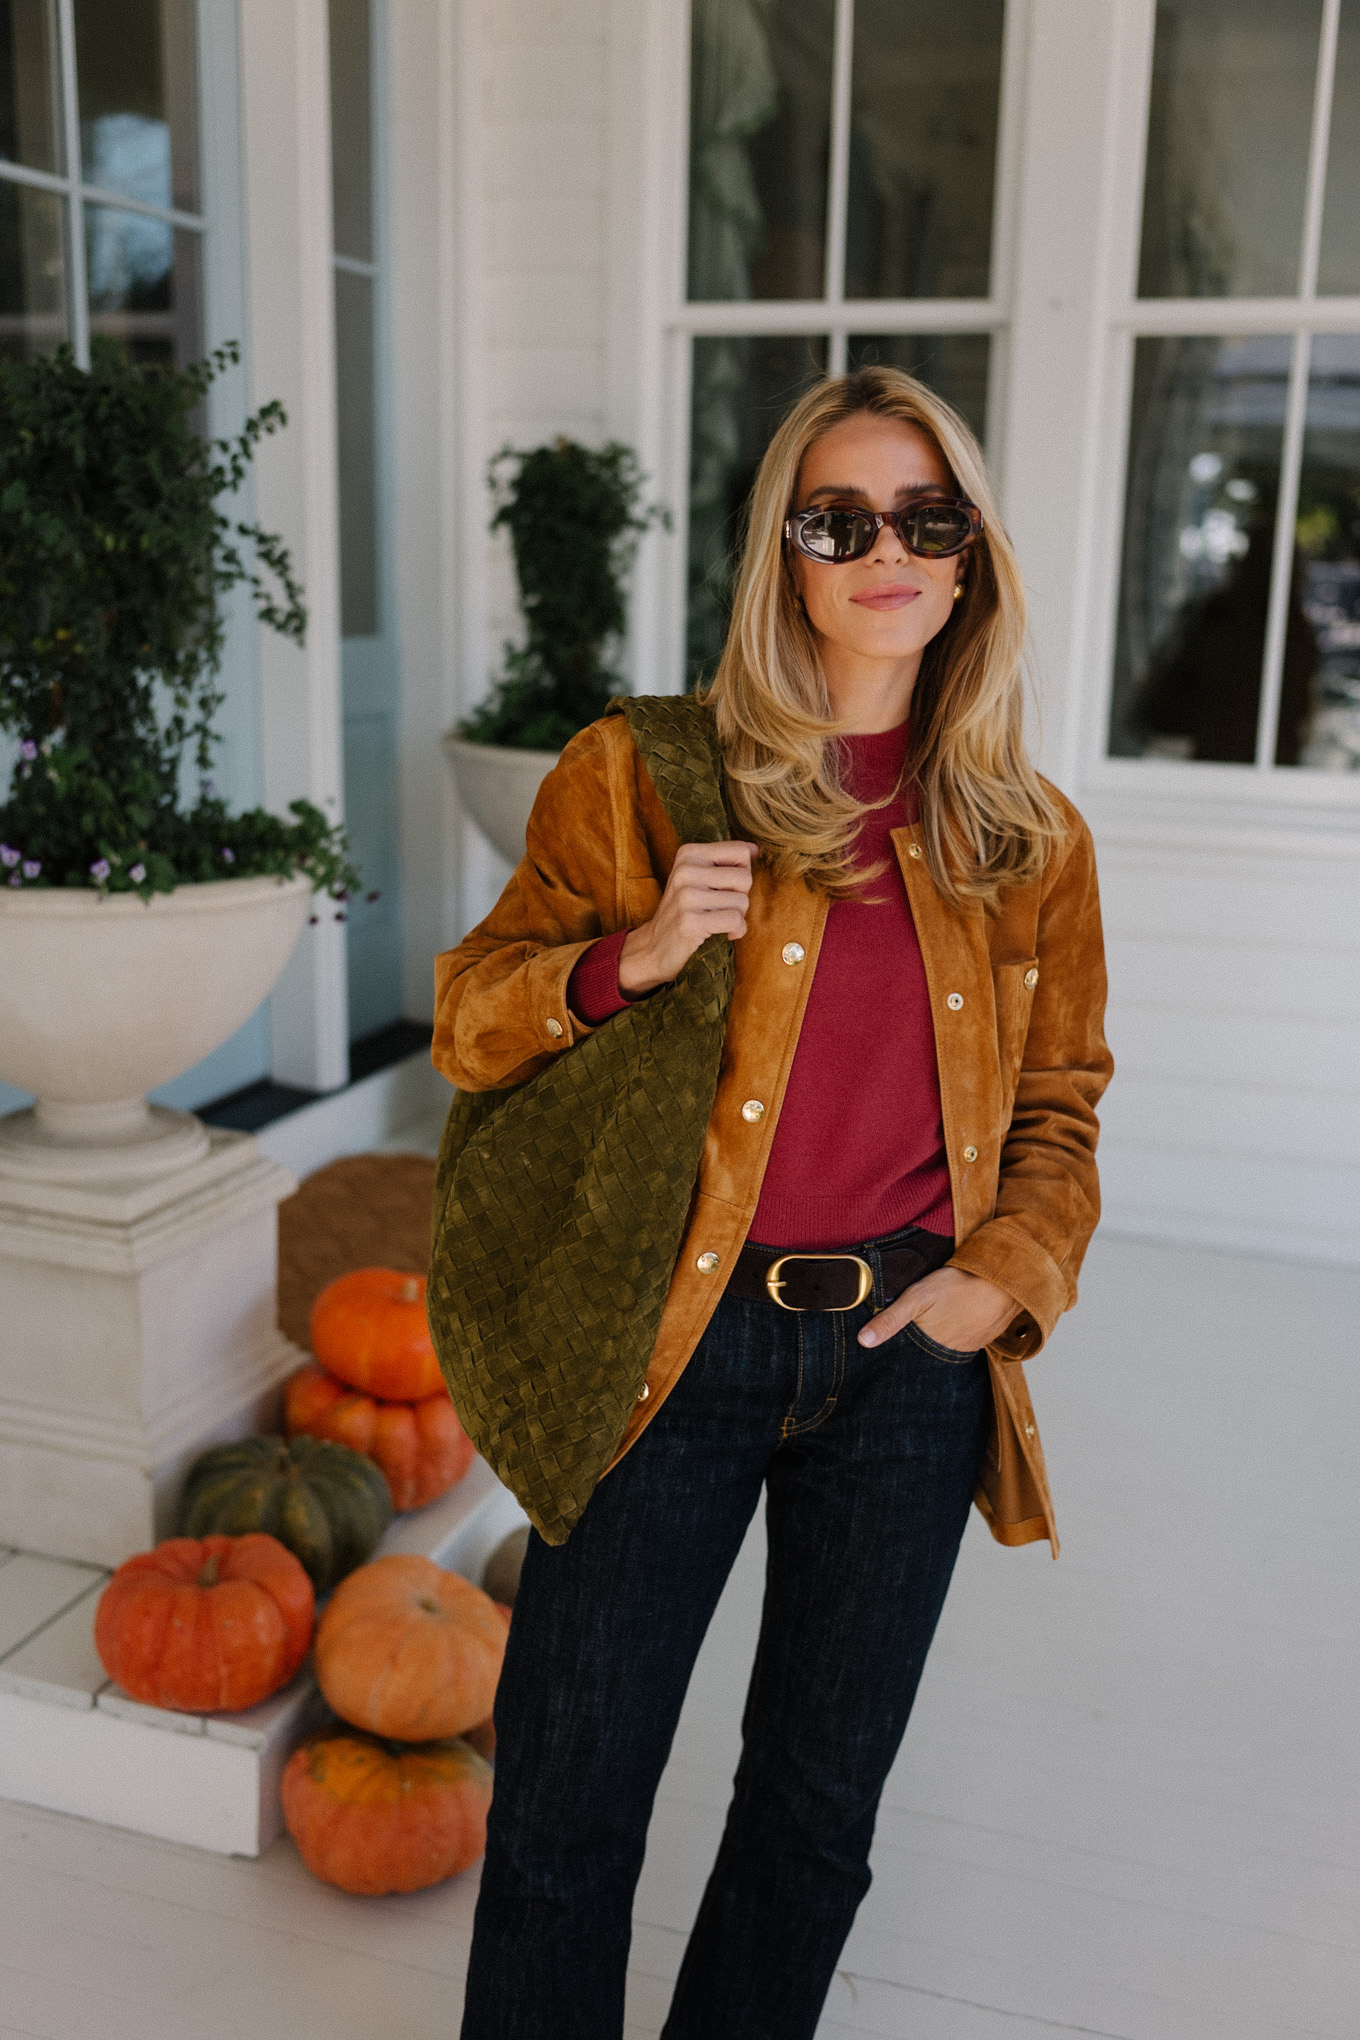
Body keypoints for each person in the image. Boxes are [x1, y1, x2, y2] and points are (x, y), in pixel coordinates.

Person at [434, 365, 1112, 2040]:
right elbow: (468, 1020)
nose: (886, 549)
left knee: (814, 1825)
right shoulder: (638, 776)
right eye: (840, 518)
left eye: (924, 516)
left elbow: (1059, 1107)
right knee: (565, 1811)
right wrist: (635, 953)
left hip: (905, 1366)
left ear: (971, 557)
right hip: (671, 1348)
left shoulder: (1024, 837)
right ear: (783, 556)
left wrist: (996, 1284)